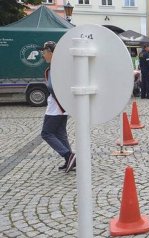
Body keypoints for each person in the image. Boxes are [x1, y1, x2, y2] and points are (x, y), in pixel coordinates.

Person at [39, 41, 76, 173]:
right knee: (60, 133)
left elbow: (54, 88)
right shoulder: (59, 66)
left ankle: (68, 155)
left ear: (51, 52)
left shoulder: (55, 68)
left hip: (56, 106)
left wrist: (62, 104)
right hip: (61, 106)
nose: (43, 55)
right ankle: (70, 160)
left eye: (44, 52)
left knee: (46, 133)